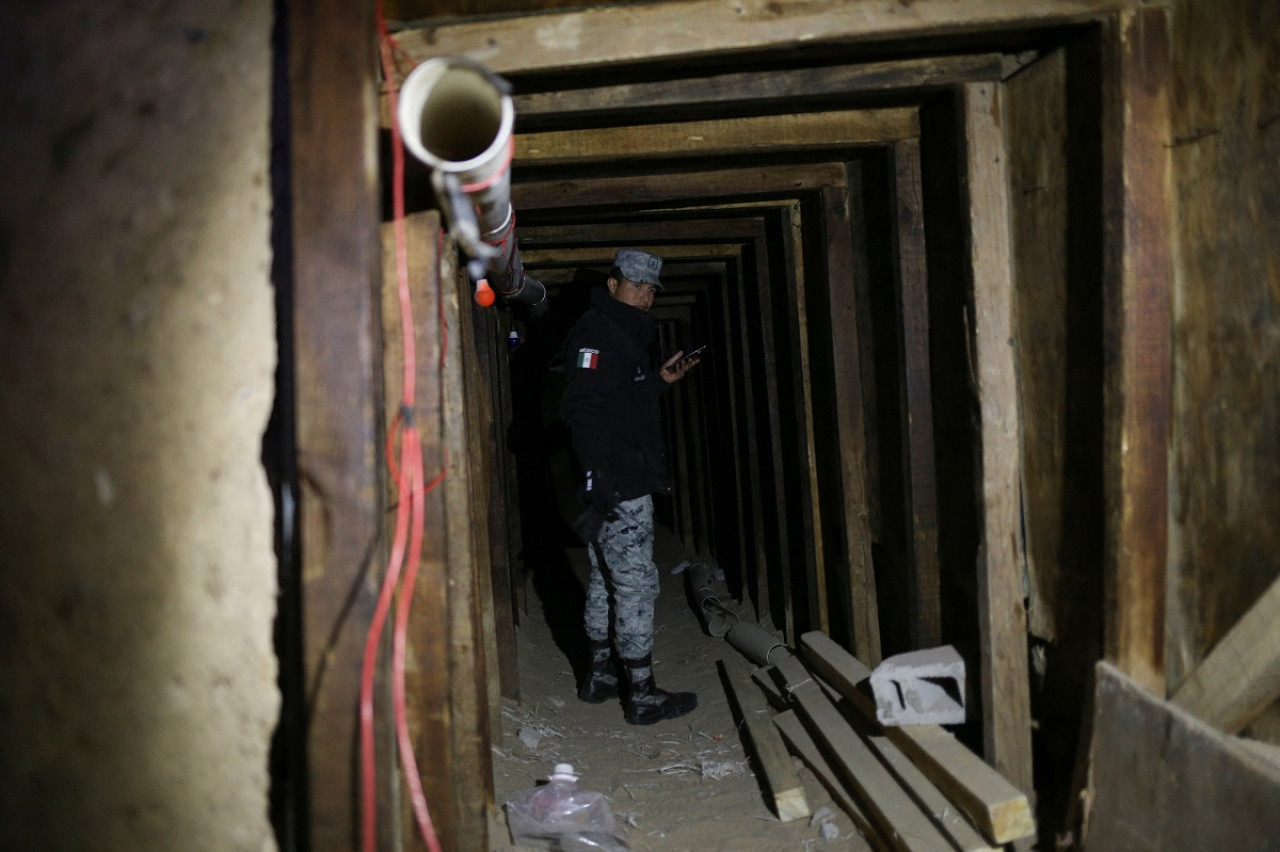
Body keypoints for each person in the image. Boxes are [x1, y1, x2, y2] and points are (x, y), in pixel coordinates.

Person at [559, 248, 702, 725]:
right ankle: (641, 693)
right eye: (636, 286)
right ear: (614, 284)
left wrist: (659, 381)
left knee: (604, 579)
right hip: (618, 483)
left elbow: (618, 399)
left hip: (611, 480)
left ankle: (600, 676)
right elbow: (584, 410)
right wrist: (601, 481)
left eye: (650, 290)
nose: (644, 296)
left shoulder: (620, 333)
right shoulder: (599, 332)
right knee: (636, 585)